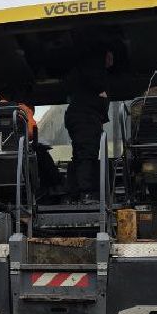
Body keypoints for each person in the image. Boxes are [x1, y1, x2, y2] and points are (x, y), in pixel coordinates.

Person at [64, 49, 111, 202]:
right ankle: (86, 193)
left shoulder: (79, 73)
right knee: (87, 154)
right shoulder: (93, 71)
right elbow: (100, 89)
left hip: (77, 117)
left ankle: (73, 193)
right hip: (86, 118)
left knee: (79, 155)